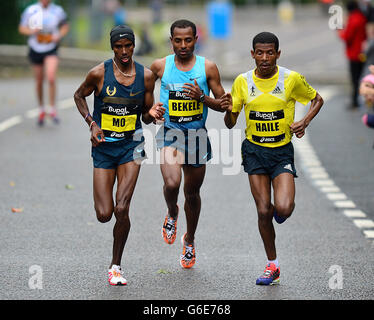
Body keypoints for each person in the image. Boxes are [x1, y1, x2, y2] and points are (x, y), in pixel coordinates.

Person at [221, 32, 324, 285]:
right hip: (254, 151)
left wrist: (304, 122)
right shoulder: (242, 82)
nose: (264, 58)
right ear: (253, 54)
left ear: (278, 54)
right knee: (263, 210)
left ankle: (280, 213)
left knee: (284, 208)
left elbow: (317, 99)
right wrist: (228, 111)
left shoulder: (291, 79)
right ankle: (272, 265)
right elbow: (230, 122)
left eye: (270, 53)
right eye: (260, 53)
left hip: (281, 152)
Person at [73, 25, 165, 286]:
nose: (124, 52)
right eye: (118, 47)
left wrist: (153, 114)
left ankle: (115, 266)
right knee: (104, 213)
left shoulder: (146, 77)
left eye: (128, 46)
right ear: (112, 47)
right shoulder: (98, 74)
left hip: (131, 146)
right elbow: (79, 95)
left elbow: (146, 114)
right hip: (104, 148)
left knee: (122, 208)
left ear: (134, 46)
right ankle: (114, 252)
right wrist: (92, 122)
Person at [150, 19, 228, 269]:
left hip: (197, 135)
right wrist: (150, 109)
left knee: (192, 194)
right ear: (171, 41)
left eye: (188, 40)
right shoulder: (160, 66)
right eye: (177, 40)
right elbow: (142, 95)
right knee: (172, 183)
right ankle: (172, 212)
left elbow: (224, 103)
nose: (183, 45)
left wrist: (202, 98)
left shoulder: (208, 68)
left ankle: (190, 240)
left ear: (196, 39)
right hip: (171, 132)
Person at [19, 0, 69, 125]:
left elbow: (65, 26)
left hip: (51, 47)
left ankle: (52, 109)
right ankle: (41, 108)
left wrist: (59, 35)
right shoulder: (31, 10)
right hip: (35, 48)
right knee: (39, 80)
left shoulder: (57, 10)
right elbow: (22, 28)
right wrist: (31, 31)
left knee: (51, 77)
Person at [338, 0, 367, 109]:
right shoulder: (362, 17)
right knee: (360, 76)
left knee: (354, 79)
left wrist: (340, 32)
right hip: (362, 52)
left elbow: (347, 37)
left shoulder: (353, 19)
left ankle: (355, 101)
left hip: (354, 54)